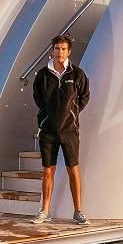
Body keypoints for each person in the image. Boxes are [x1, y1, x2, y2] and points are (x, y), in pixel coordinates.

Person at [31, 33, 91, 225]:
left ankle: (78, 211)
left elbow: (84, 97)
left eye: (63, 49)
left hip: (69, 130)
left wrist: (72, 113)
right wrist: (48, 116)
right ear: (52, 50)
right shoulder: (42, 74)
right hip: (48, 130)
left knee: (73, 169)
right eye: (57, 48)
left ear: (69, 51)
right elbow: (38, 98)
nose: (60, 52)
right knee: (48, 170)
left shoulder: (77, 74)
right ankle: (44, 211)